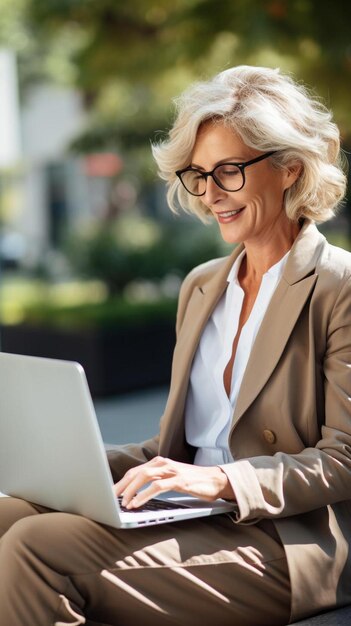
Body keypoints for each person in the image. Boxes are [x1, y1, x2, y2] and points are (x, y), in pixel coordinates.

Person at [0, 65, 350, 626]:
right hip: (188, 511)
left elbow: (344, 459)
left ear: (290, 168)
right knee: (8, 515)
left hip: (290, 538)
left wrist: (218, 481)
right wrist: (66, 468)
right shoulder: (203, 285)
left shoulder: (339, 287)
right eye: (197, 174)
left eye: (229, 171)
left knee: (39, 548)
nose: (210, 194)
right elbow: (183, 447)